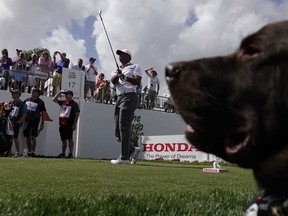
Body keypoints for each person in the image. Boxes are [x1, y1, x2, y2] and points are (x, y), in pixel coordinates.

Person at [110, 49, 142, 165]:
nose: (119, 57)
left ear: (128, 57)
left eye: (122, 54)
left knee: (124, 125)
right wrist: (119, 75)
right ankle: (133, 149)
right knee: (117, 130)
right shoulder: (116, 70)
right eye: (119, 55)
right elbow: (113, 81)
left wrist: (126, 78)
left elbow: (137, 81)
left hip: (130, 96)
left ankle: (124, 157)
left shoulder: (135, 67)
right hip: (119, 98)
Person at [52, 90, 80, 158]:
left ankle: (70, 153)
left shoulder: (74, 104)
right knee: (63, 139)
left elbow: (77, 114)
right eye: (66, 95)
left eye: (68, 94)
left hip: (69, 123)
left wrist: (74, 124)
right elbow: (54, 99)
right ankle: (63, 153)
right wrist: (59, 92)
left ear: (71, 95)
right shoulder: (63, 102)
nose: (67, 96)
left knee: (69, 138)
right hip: (62, 123)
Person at [23, 88, 47, 157]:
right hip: (27, 120)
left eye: (35, 92)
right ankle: (29, 151)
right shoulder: (27, 100)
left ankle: (33, 152)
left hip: (35, 120)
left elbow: (43, 112)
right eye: (32, 91)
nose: (33, 93)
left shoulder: (40, 102)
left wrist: (42, 122)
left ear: (38, 94)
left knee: (33, 136)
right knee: (27, 136)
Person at [8, 89, 27, 157]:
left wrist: (19, 122)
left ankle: (17, 152)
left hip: (16, 122)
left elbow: (24, 114)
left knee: (15, 137)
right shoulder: (10, 103)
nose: (12, 95)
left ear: (18, 95)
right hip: (10, 122)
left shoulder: (22, 104)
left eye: (14, 93)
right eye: (12, 93)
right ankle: (8, 151)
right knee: (8, 137)